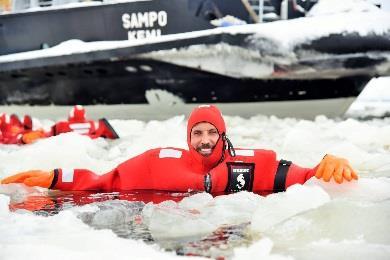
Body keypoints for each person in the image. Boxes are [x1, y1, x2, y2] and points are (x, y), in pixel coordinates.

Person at [1, 105, 358, 194]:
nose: (204, 140)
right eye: (197, 133)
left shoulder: (248, 164)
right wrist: (54, 177)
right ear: (188, 138)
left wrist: (328, 162)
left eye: (210, 133)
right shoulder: (160, 161)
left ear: (222, 135)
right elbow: (105, 180)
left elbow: (302, 176)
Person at [0, 105, 119, 145]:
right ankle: (22, 131)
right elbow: (105, 133)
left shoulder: (62, 125)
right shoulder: (93, 124)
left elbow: (48, 134)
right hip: (89, 144)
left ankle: (23, 131)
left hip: (66, 144)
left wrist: (33, 135)